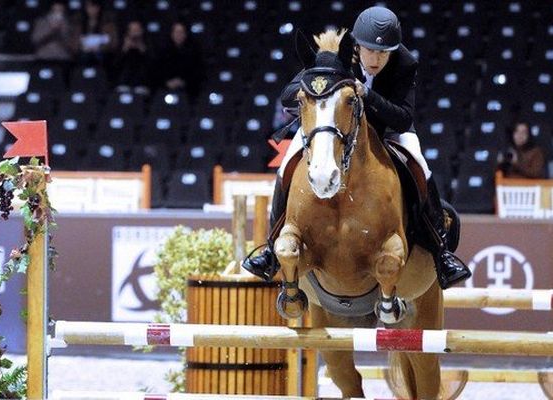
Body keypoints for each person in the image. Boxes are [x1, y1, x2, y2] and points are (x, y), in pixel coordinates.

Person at [243, 6, 472, 290]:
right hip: (334, 127)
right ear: (357, 46)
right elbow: (289, 95)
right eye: (369, 51)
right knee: (288, 163)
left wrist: (368, 95)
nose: (376, 59)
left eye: (383, 53)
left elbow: (403, 118)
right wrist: (319, 84)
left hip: (387, 129)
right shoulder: (338, 55)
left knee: (420, 165)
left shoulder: (405, 63)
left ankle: (441, 253)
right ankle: (270, 250)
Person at [157, 22, 203, 100]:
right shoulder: (163, 52)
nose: (179, 35)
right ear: (172, 34)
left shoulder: (193, 52)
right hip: (166, 87)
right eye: (176, 32)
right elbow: (158, 71)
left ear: (185, 34)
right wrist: (167, 83)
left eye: (181, 32)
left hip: (188, 89)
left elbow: (197, 72)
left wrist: (183, 82)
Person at [71, 0, 118, 66]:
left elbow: (113, 43)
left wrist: (99, 48)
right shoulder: (80, 24)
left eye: (94, 7)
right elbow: (74, 43)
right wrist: (82, 47)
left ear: (98, 8)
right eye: (89, 7)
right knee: (84, 57)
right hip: (84, 52)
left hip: (102, 53)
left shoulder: (108, 24)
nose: (92, 10)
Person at [114, 20, 151, 94]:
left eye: (137, 30)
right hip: (124, 82)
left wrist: (142, 49)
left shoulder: (148, 43)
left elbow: (152, 65)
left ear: (141, 31)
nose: (135, 33)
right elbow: (115, 66)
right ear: (128, 32)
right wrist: (125, 49)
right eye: (133, 30)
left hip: (142, 83)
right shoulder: (122, 45)